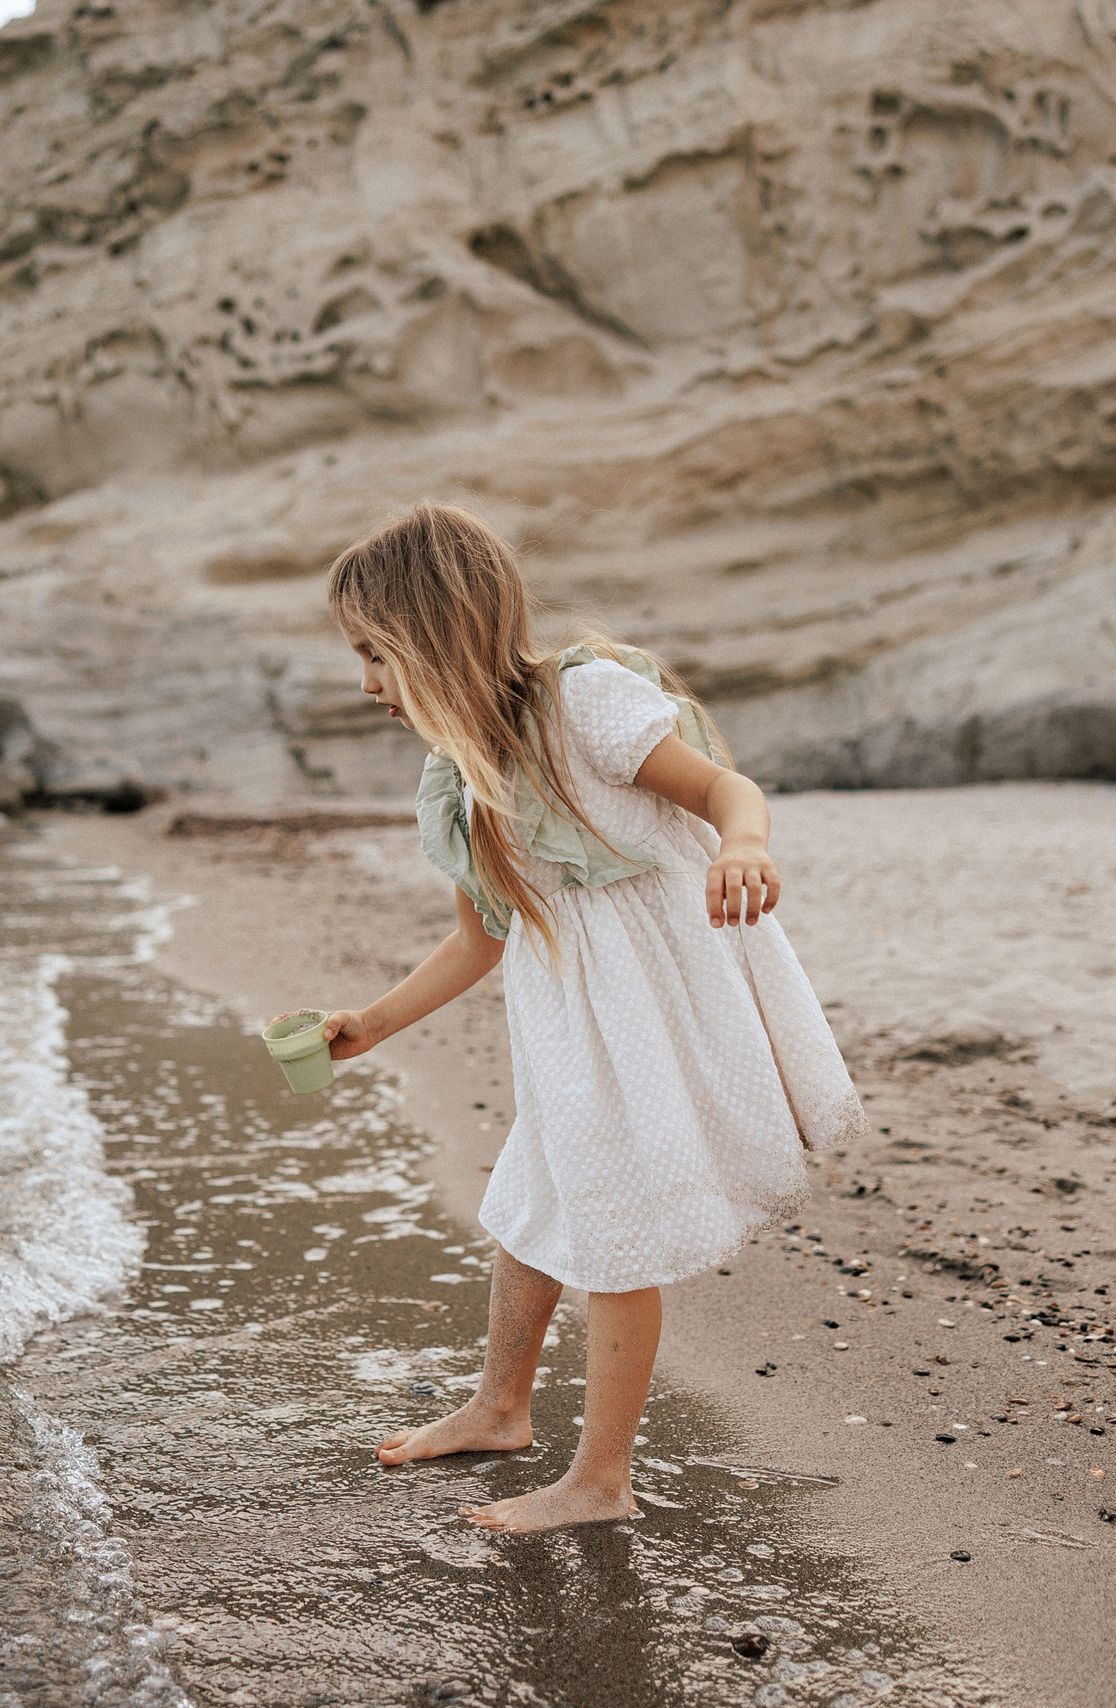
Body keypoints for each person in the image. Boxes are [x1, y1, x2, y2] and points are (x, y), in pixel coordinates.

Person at [315, 502, 862, 1534]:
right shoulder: (460, 782)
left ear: (434, 631)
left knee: (613, 1232)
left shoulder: (583, 704)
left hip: (649, 1020)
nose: (365, 685)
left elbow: (722, 790)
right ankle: (500, 1406)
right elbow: (481, 936)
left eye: (374, 653)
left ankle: (601, 1480)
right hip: (573, 1034)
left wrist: (745, 846)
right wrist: (375, 1021)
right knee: (531, 1207)